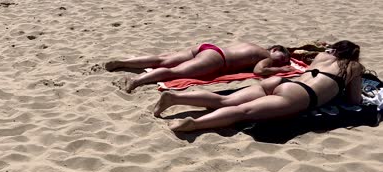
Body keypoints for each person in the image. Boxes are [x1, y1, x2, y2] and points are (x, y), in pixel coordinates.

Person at [153, 40, 364, 132]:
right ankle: (195, 124)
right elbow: (354, 100)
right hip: (300, 95)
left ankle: (175, 98)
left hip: (284, 82)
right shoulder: (354, 67)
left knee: (224, 100)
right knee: (241, 112)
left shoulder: (320, 56)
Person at [105, 42, 293, 93]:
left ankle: (122, 62)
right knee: (175, 73)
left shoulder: (252, 45)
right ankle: (136, 81)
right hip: (217, 58)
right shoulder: (266, 56)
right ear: (274, 49)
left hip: (208, 47)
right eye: (282, 57)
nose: (281, 62)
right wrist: (281, 70)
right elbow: (259, 71)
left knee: (162, 59)